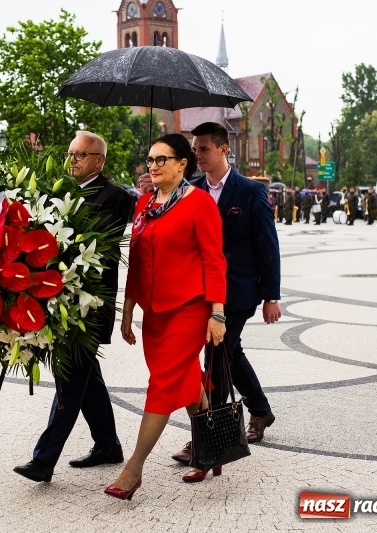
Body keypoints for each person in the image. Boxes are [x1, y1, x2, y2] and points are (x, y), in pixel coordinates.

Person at [105, 133, 226, 500]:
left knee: (161, 385)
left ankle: (133, 470)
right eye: (150, 160)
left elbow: (214, 260)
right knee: (187, 381)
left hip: (189, 310)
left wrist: (217, 313)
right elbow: (137, 262)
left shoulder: (200, 204)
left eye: (162, 159)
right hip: (153, 313)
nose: (153, 166)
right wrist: (127, 313)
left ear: (182, 164)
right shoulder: (144, 205)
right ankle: (213, 451)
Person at [13, 131, 133, 484]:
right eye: (70, 154)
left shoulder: (117, 197)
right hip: (59, 298)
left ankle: (44, 459)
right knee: (86, 377)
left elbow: (99, 242)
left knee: (71, 377)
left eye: (80, 155)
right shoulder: (59, 192)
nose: (72, 160)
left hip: (90, 302)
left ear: (99, 159)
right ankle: (108, 445)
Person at [169, 122, 282, 473]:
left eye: (203, 149)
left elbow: (268, 246)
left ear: (223, 149)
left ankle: (208, 438)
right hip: (200, 291)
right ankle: (260, 410)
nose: (196, 155)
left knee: (216, 356)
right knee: (230, 352)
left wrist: (271, 296)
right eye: (194, 148)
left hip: (237, 292)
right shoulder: (189, 190)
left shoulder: (249, 191)